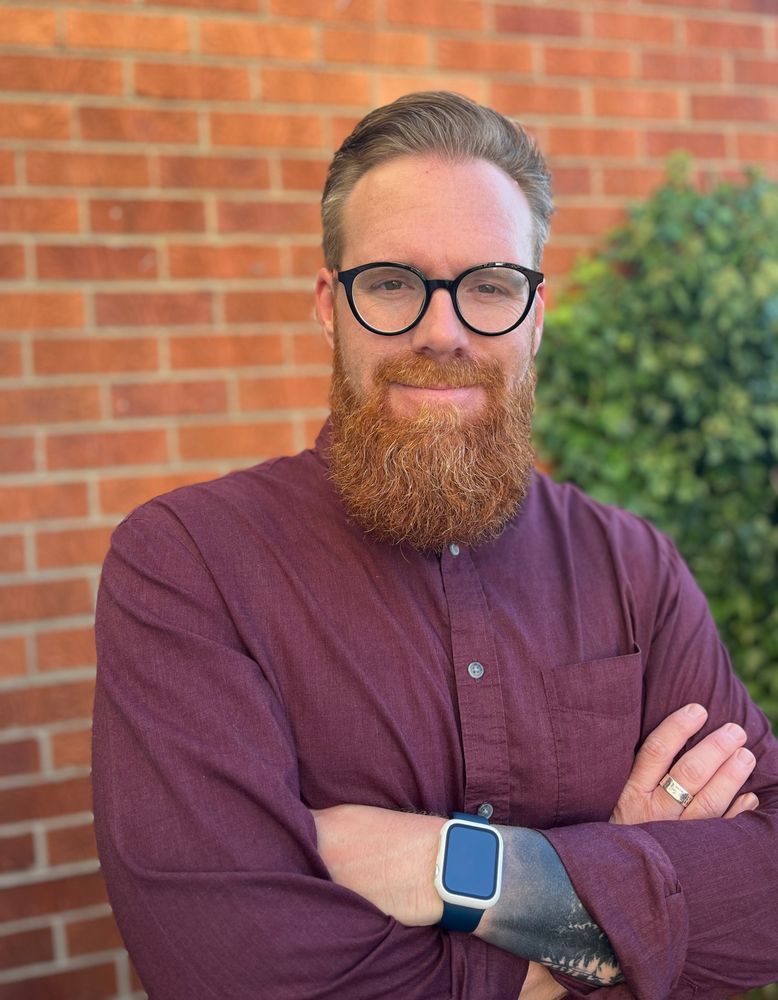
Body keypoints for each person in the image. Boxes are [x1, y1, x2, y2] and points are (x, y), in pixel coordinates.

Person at [92, 92, 778, 999]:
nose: (441, 331)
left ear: (535, 314)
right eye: (391, 283)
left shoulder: (633, 566)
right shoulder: (189, 565)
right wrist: (623, 911)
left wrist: (458, 868)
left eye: (489, 286)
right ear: (330, 307)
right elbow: (229, 967)